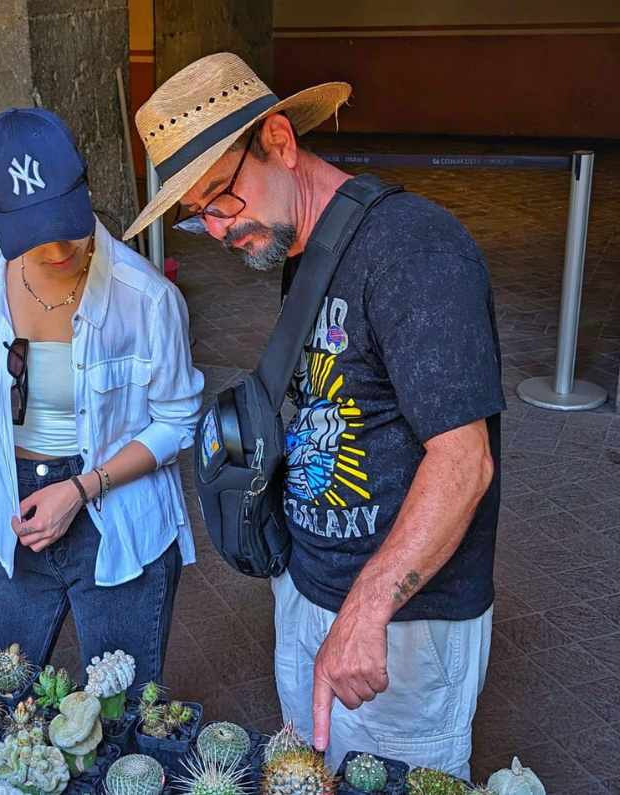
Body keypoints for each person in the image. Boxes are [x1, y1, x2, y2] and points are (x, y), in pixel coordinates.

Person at [126, 53, 502, 778]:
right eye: (197, 215)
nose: (217, 227)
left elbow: (464, 461)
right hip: (311, 592)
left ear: (279, 141)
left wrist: (365, 612)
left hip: (402, 624)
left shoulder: (414, 251)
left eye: (221, 198)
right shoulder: (303, 248)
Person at [0, 108, 203, 686]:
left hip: (115, 518)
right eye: (34, 232)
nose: (59, 245)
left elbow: (178, 421)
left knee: (119, 714)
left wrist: (81, 489)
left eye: (67, 218)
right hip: (9, 508)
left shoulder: (145, 297)